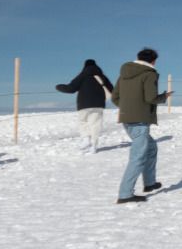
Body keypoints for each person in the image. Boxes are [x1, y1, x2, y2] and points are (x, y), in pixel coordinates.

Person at [111, 47, 171, 204]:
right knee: (137, 157)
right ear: (153, 60)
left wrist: (127, 109)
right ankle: (125, 194)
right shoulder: (149, 74)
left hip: (126, 118)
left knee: (151, 147)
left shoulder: (124, 74)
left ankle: (150, 183)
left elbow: (114, 97)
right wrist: (164, 96)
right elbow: (151, 98)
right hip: (140, 121)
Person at [55, 58, 114, 153]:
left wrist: (59, 87)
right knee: (95, 124)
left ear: (85, 66)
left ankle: (86, 138)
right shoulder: (102, 76)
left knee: (83, 121)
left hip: (84, 104)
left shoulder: (82, 75)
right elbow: (112, 90)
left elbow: (71, 88)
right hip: (98, 104)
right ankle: (94, 145)